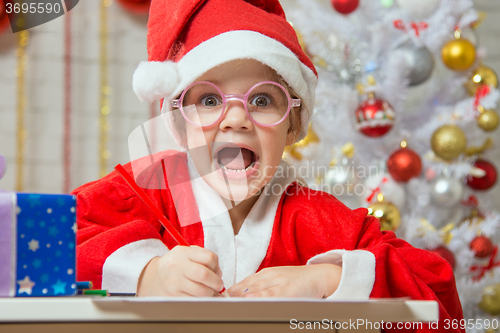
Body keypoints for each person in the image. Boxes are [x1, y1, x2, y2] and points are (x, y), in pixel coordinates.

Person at [75, 0, 464, 330]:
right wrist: (147, 275)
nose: (236, 118)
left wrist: (326, 278)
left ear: (292, 124)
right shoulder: (140, 192)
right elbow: (42, 241)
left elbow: (439, 297)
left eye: (262, 100)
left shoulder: (322, 222)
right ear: (179, 120)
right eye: (209, 101)